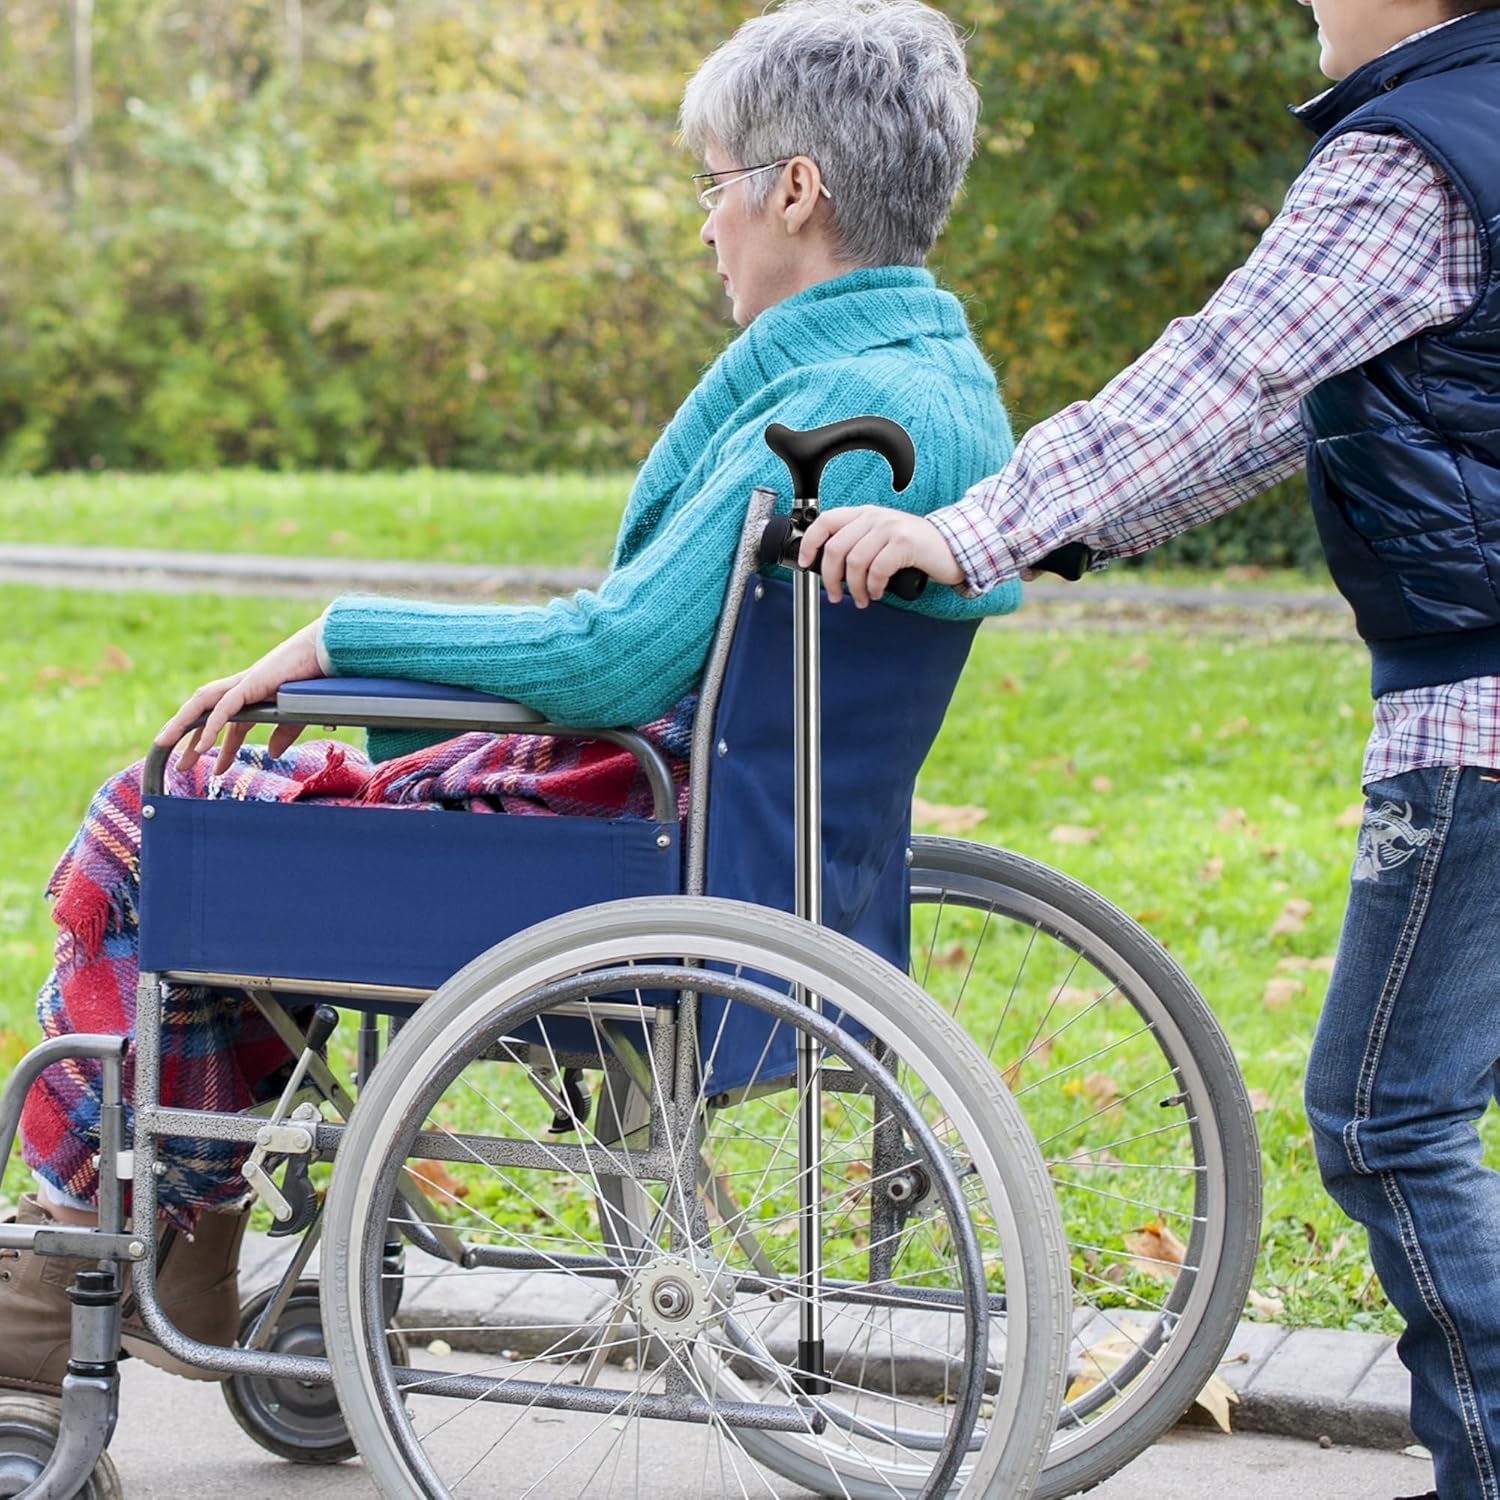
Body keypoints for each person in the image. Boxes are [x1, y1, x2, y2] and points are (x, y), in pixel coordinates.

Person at [0, 0, 1022, 1398]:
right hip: (733, 836)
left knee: (156, 810)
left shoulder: (821, 411)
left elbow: (606, 661)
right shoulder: (942, 387)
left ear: (796, 190)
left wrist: (332, 638)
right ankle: (185, 1221)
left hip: (607, 846)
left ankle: (69, 1260)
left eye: (715, 185)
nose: (705, 223)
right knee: (227, 821)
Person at [803, 3, 1500, 1497]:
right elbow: (1294, 412)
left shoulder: (1418, 155)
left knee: (1390, 1115)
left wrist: (971, 527)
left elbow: (1226, 373)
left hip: (1481, 716)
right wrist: (1055, 529)